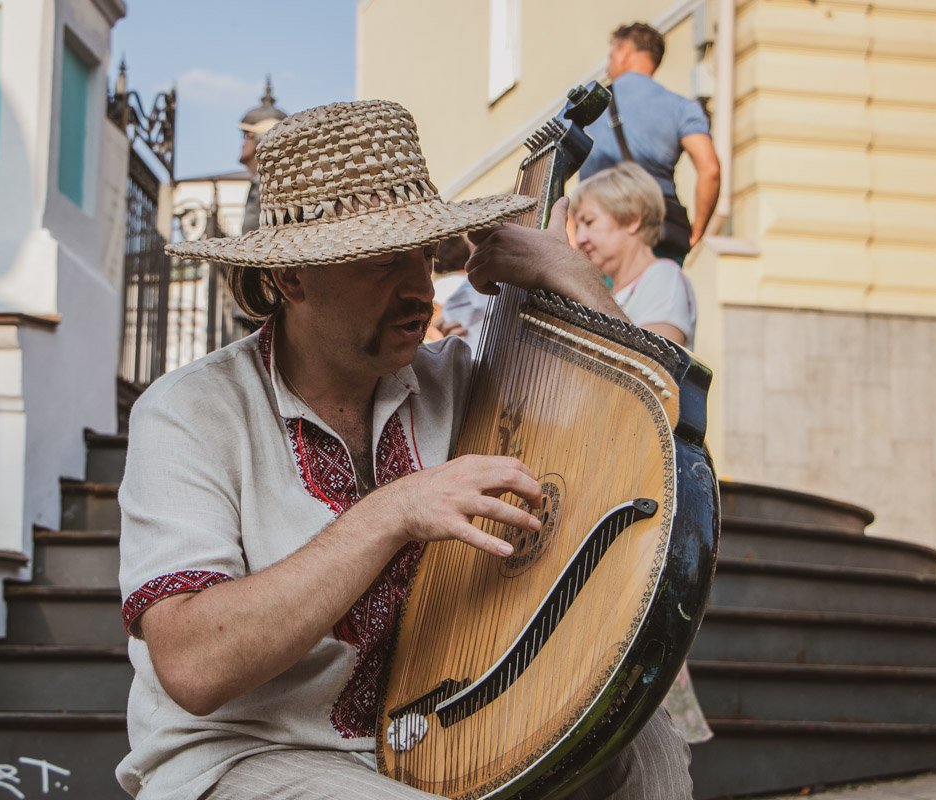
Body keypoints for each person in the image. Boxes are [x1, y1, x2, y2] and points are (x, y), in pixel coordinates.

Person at [116, 99, 694, 800]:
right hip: (242, 757)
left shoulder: (459, 383)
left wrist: (571, 277)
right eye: (383, 262)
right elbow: (193, 665)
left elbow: (642, 428)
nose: (420, 288)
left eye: (424, 254)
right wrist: (392, 513)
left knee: (640, 742)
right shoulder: (189, 413)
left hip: (446, 734)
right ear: (292, 278)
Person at [580, 22, 721, 262]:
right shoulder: (682, 108)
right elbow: (711, 170)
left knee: (599, 299)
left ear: (625, 51)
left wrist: (573, 231)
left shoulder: (589, 106)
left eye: (611, 54)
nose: (608, 63)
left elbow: (558, 168)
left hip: (598, 235)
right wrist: (697, 231)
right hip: (659, 233)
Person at [571, 162, 697, 349]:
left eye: (589, 222)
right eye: (577, 228)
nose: (579, 238)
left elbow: (652, 366)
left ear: (632, 219)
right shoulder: (615, 291)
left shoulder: (664, 278)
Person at [238, 77, 288, 234]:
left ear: (261, 141)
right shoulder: (260, 183)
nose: (242, 143)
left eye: (247, 135)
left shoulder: (271, 185)